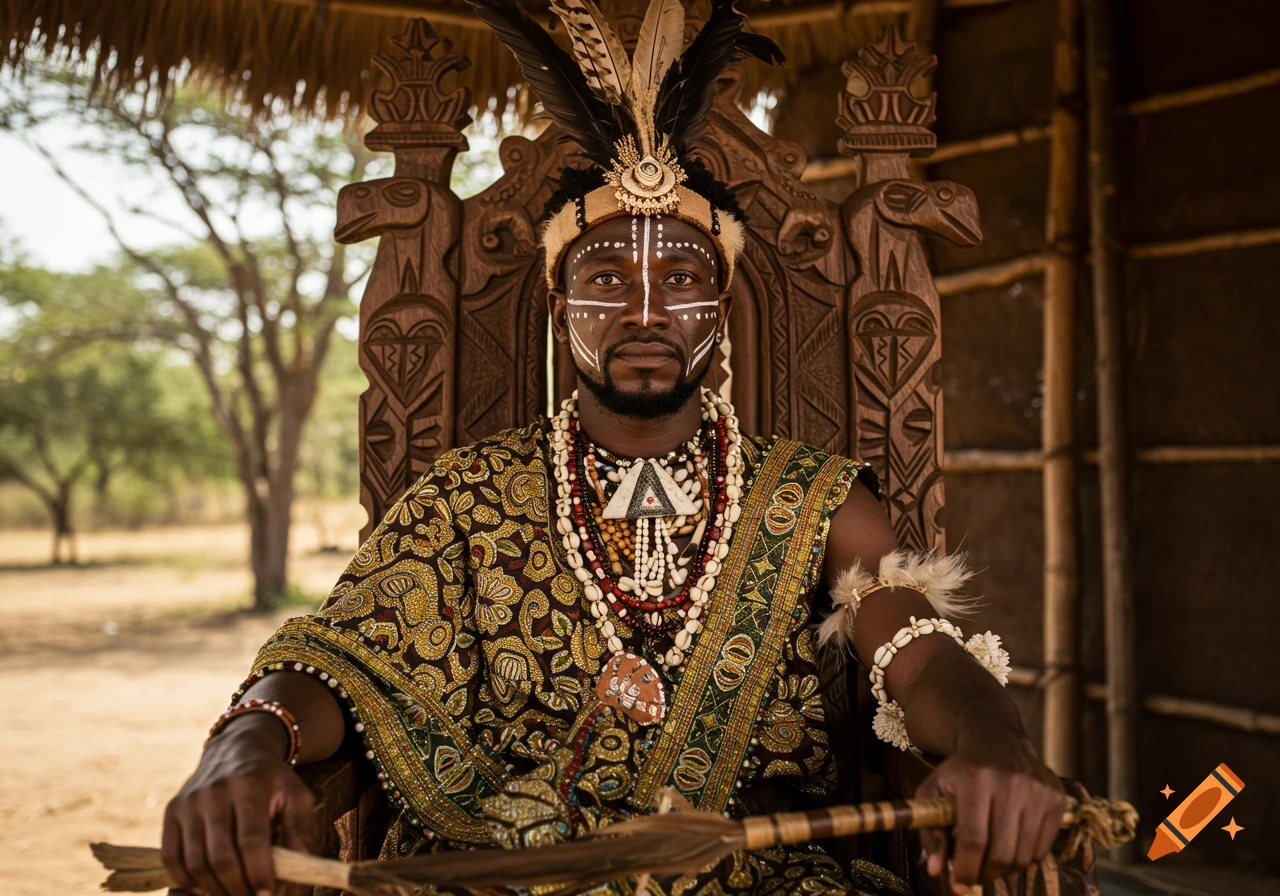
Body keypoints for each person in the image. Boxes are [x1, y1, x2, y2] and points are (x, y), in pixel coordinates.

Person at [161, 2, 1070, 894]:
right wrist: (246, 741)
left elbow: (912, 643)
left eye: (682, 278)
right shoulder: (468, 496)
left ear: (720, 312)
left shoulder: (821, 503)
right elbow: (343, 656)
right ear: (560, 309)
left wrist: (995, 739)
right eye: (605, 278)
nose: (645, 311)